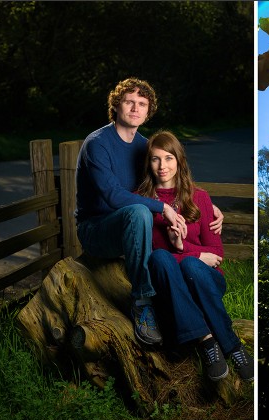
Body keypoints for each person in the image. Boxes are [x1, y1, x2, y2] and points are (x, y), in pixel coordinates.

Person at [75, 77, 222, 347]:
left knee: (144, 219)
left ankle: (184, 317)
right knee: (140, 213)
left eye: (141, 103)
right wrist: (161, 207)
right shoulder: (98, 143)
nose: (134, 108)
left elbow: (168, 178)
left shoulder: (144, 146)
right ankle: (143, 302)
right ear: (116, 106)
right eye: (128, 102)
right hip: (96, 229)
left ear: (148, 110)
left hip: (134, 229)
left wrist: (207, 205)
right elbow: (112, 194)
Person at [136, 131, 252, 382]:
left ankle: (231, 348)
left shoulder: (200, 197)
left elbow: (217, 255)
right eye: (155, 159)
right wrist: (184, 249)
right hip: (169, 283)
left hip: (204, 280)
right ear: (149, 163)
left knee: (190, 265)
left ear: (179, 160)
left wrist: (187, 252)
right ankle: (210, 342)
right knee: (161, 259)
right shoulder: (142, 204)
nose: (162, 166)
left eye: (168, 158)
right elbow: (154, 258)